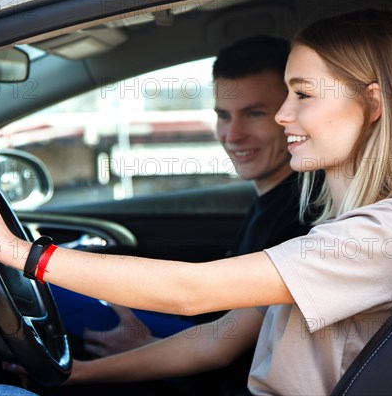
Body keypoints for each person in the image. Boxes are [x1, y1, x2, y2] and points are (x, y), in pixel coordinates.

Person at [0, 9, 392, 396]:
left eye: (302, 95)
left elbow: (192, 293)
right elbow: (216, 336)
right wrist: (80, 376)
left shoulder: (388, 234)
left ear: (374, 103)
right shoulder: (344, 226)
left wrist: (17, 251)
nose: (280, 116)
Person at [79, 35, 318, 363]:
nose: (232, 135)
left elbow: (229, 349)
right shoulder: (273, 199)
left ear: (290, 114)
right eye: (223, 115)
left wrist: (145, 347)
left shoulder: (301, 216)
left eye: (254, 114)